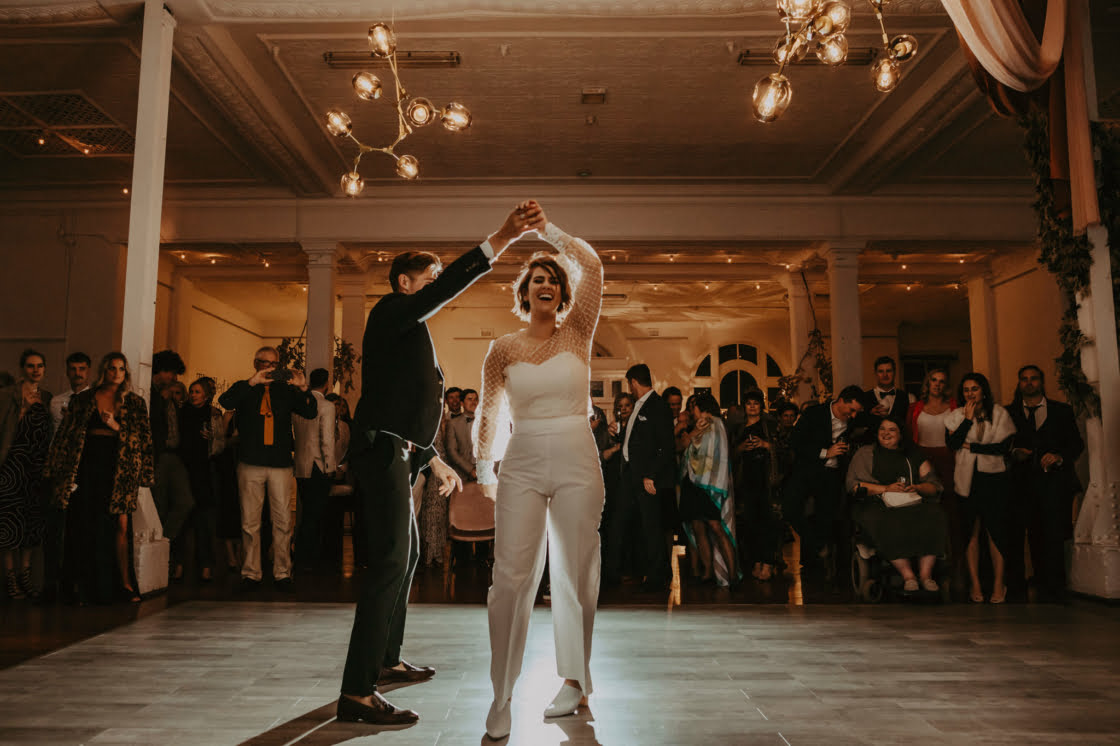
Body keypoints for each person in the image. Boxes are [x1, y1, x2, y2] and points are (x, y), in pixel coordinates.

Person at [338, 202, 542, 727]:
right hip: (382, 451)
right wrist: (501, 237)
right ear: (405, 283)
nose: (434, 287)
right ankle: (356, 692)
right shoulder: (391, 310)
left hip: (400, 451)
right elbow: (446, 288)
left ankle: (386, 659)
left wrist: (432, 460)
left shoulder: (408, 331)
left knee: (404, 559)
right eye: (427, 279)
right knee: (390, 563)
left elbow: (404, 404)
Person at [474, 203, 604, 739]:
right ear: (524, 293)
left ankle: (575, 680)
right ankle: (502, 694)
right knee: (510, 577)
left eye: (552, 278)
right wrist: (484, 468)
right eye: (537, 279)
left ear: (562, 292)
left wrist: (546, 231)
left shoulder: (578, 331)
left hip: (576, 454)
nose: (545, 283)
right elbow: (488, 411)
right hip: (522, 457)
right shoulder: (502, 349)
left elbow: (592, 265)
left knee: (576, 571)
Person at [46, 353, 153, 604]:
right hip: (87, 467)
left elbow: (143, 441)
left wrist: (116, 427)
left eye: (121, 369)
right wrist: (55, 470)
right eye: (112, 368)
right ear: (104, 370)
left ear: (126, 373)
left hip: (119, 470)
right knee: (83, 524)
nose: (116, 373)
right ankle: (80, 588)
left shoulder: (135, 403)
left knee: (121, 526)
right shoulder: (84, 399)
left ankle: (125, 585)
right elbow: (66, 435)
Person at [217, 346, 316, 592]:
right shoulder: (245, 388)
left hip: (280, 463)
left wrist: (303, 387)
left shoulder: (286, 391)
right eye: (264, 363)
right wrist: (252, 382)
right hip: (250, 461)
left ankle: (282, 573)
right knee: (250, 522)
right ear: (255, 363)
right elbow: (225, 401)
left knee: (283, 521)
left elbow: (310, 411)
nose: (270, 368)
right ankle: (251, 573)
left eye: (274, 364)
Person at [1006, 365, 1083, 602]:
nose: (1029, 382)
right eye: (1024, 379)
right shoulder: (1008, 413)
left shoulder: (1061, 411)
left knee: (1054, 533)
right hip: (1021, 483)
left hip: (1054, 482)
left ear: (1041, 382)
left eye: (1034, 378)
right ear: (1019, 383)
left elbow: (1076, 444)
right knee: (1027, 534)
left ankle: (1055, 587)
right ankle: (1028, 585)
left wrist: (1059, 456)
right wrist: (1014, 453)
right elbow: (1000, 444)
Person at [846, 419, 948, 592]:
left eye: (892, 430)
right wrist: (886, 488)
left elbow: (934, 485)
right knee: (886, 520)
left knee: (935, 515)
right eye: (882, 429)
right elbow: (853, 486)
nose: (886, 433)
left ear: (901, 434)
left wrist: (917, 487)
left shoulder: (913, 454)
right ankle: (908, 576)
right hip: (877, 502)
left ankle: (926, 576)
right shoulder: (865, 453)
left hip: (911, 501)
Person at [944, 372, 1016, 604]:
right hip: (966, 480)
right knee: (971, 532)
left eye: (974, 389)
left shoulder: (1000, 413)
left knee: (996, 531)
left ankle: (998, 584)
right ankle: (975, 584)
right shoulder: (956, 416)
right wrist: (967, 420)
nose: (970, 393)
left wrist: (971, 446)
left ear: (983, 391)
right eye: (966, 390)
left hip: (994, 479)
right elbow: (953, 444)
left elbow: (1002, 448)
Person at [605, 364, 677, 592]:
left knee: (651, 526)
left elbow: (666, 446)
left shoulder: (658, 406)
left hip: (645, 477)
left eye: (630, 384)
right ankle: (613, 573)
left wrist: (651, 475)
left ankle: (657, 576)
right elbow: (637, 440)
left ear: (634, 382)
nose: (630, 388)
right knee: (620, 522)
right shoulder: (638, 405)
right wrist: (619, 434)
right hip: (629, 474)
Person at [782, 385, 865, 580]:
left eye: (856, 412)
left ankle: (818, 565)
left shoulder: (853, 419)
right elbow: (795, 442)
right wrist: (825, 452)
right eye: (851, 410)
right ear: (841, 401)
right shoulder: (814, 413)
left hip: (832, 475)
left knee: (826, 518)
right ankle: (818, 546)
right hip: (806, 471)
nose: (853, 415)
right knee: (789, 509)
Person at [0, 350, 52, 599]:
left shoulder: (47, 397)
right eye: (31, 366)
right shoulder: (8, 394)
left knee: (32, 523)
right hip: (12, 465)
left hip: (36, 467)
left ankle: (26, 575)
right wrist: (23, 410)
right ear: (22, 368)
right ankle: (10, 578)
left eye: (40, 366)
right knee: (10, 522)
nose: (36, 370)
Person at [907, 369, 962, 592]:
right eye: (933, 380)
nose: (937, 384)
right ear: (927, 383)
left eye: (942, 381)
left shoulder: (954, 406)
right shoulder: (915, 408)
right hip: (922, 460)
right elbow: (909, 438)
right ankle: (925, 566)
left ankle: (955, 565)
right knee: (923, 510)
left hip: (949, 460)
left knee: (951, 511)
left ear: (946, 385)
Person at [679, 392, 739, 586]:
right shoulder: (704, 424)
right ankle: (707, 572)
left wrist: (691, 433)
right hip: (693, 481)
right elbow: (685, 445)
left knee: (716, 526)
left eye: (694, 407)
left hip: (707, 482)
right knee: (698, 526)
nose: (692, 411)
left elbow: (696, 446)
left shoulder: (712, 423)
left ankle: (731, 575)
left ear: (701, 408)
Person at [149, 350, 194, 578]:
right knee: (159, 504)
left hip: (174, 455)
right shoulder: (152, 394)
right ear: (162, 371)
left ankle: (165, 540)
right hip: (160, 455)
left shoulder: (168, 397)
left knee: (185, 501)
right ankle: (160, 550)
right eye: (172, 373)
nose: (174, 378)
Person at [177, 377, 225, 583]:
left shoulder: (213, 414)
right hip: (183, 468)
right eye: (191, 391)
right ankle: (178, 564)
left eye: (197, 391)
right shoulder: (182, 412)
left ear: (206, 395)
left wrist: (212, 438)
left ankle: (205, 565)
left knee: (203, 520)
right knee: (182, 518)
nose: (193, 395)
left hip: (204, 470)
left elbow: (221, 444)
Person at [733, 390, 782, 582]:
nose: (752, 406)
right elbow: (731, 453)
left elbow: (784, 449)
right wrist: (741, 448)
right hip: (746, 481)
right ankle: (756, 561)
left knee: (768, 522)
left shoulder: (770, 426)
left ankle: (768, 562)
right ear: (744, 407)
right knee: (750, 523)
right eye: (749, 403)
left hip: (767, 480)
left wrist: (765, 445)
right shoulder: (739, 429)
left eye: (756, 403)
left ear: (761, 405)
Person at [293, 368, 337, 574]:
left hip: (301, 464)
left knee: (307, 513)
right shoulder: (327, 406)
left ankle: (301, 555)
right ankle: (309, 558)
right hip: (318, 465)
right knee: (315, 515)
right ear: (327, 383)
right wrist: (330, 466)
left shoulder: (299, 404)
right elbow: (326, 439)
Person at [859, 356, 916, 440]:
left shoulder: (909, 398)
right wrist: (869, 414)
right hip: (870, 445)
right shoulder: (863, 397)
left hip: (899, 446)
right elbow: (857, 428)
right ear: (875, 374)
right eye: (881, 371)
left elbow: (911, 428)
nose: (885, 375)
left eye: (888, 371)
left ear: (894, 372)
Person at [49, 352, 90, 432]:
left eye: (82, 369)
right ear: (67, 372)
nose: (77, 373)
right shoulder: (55, 401)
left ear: (88, 371)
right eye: (73, 369)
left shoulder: (96, 400)